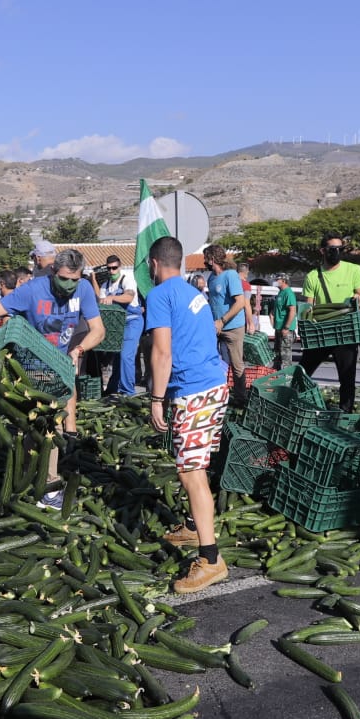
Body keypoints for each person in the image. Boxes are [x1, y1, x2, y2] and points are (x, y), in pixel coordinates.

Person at [0, 247, 105, 510]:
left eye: (75, 279)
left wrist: (79, 349)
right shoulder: (32, 290)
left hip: (58, 370)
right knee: (30, 430)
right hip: (27, 370)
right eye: (64, 278)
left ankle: (41, 485)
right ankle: (30, 482)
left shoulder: (84, 290)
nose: (69, 285)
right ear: (53, 271)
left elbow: (98, 330)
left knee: (47, 429)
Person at [144, 235, 232, 594]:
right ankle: (196, 528)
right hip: (213, 384)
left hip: (194, 391)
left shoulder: (159, 295)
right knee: (197, 465)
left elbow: (161, 353)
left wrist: (155, 398)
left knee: (190, 472)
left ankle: (210, 560)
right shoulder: (194, 292)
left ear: (153, 264)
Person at [298, 234, 360, 412]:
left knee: (347, 378)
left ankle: (345, 413)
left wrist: (358, 298)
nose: (336, 252)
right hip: (321, 332)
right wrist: (305, 324)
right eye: (332, 249)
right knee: (302, 374)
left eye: (340, 249)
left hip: (346, 331)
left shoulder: (354, 270)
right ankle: (294, 405)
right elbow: (308, 306)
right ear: (323, 251)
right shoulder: (313, 276)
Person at [202, 245, 248, 396]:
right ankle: (215, 393)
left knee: (236, 365)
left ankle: (241, 398)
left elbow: (240, 302)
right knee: (209, 360)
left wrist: (222, 320)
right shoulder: (212, 278)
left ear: (212, 259)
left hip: (233, 327)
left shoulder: (230, 275)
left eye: (205, 258)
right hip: (215, 327)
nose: (204, 261)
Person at [97, 254, 142, 396]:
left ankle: (128, 391)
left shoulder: (127, 280)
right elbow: (101, 301)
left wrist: (113, 298)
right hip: (116, 325)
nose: (112, 271)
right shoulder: (105, 285)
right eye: (109, 269)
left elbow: (129, 296)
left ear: (120, 267)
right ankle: (112, 388)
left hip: (132, 321)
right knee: (116, 357)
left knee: (126, 356)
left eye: (114, 268)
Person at [270, 272, 299, 369]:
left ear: (283, 281)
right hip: (279, 328)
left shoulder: (288, 293)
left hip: (285, 330)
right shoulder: (280, 292)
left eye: (277, 280)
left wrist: (286, 327)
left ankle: (287, 379)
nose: (275, 282)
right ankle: (275, 377)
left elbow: (292, 311)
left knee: (285, 357)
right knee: (277, 355)